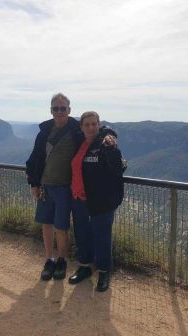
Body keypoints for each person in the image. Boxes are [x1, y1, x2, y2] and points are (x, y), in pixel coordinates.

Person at [26, 93, 81, 281]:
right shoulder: (44, 132)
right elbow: (34, 159)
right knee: (46, 224)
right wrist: (34, 183)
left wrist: (110, 135)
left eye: (62, 108)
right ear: (51, 110)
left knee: (61, 226)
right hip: (45, 186)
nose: (59, 112)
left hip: (65, 187)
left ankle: (62, 260)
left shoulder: (77, 129)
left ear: (69, 110)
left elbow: (97, 130)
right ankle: (49, 259)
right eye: (55, 108)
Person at [68, 111, 125, 292]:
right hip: (78, 198)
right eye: (87, 124)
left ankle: (103, 271)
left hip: (102, 199)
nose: (91, 127)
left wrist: (111, 143)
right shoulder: (78, 142)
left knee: (102, 235)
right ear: (81, 127)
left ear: (99, 125)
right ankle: (85, 266)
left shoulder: (105, 143)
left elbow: (117, 168)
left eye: (94, 124)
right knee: (82, 233)